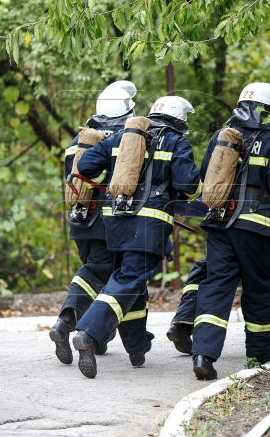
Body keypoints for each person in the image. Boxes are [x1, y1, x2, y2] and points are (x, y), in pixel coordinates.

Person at [72, 95, 202, 378]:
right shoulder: (176, 142)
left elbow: (85, 167)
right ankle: (88, 333)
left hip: (114, 222)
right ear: (180, 120)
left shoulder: (124, 135)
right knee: (127, 281)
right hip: (149, 225)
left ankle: (136, 346)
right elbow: (189, 184)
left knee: (129, 282)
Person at [191, 83, 270, 380]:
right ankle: (259, 348)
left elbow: (206, 175)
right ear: (269, 109)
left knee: (216, 286)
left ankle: (203, 354)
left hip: (218, 224)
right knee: (257, 287)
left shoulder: (221, 137)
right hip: (255, 226)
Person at [49, 81, 138, 364]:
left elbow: (72, 181)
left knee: (98, 274)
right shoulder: (126, 140)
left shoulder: (77, 143)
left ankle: (97, 338)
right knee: (103, 274)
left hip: (80, 222)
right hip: (110, 223)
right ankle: (65, 324)